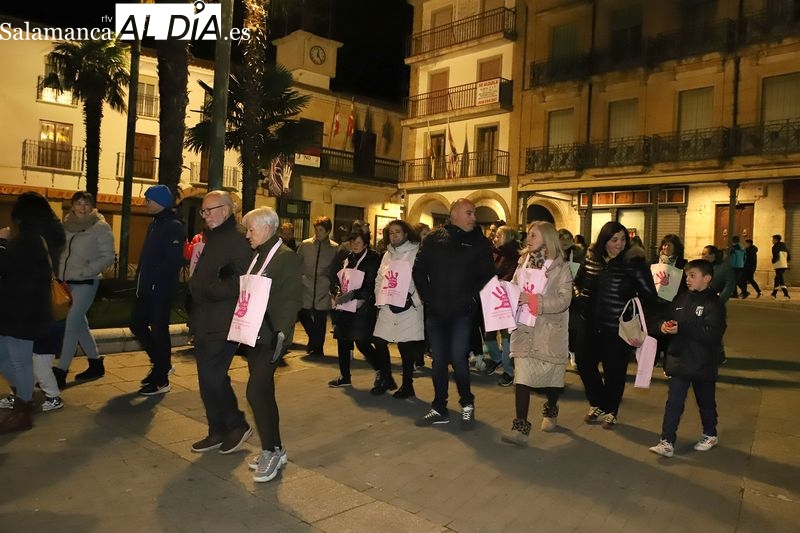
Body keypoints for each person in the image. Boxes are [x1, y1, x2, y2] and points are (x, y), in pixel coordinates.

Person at [412, 199, 495, 429]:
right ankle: (439, 407)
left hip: (462, 313)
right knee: (439, 361)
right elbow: (419, 270)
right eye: (469, 213)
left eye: (474, 214)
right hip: (436, 313)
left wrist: (471, 299)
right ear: (455, 213)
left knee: (459, 359)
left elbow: (488, 276)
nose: (474, 218)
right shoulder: (433, 239)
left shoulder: (479, 243)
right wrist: (428, 299)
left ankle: (467, 404)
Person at [188, 191, 255, 455]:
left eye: (209, 210)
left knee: (213, 376)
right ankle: (216, 430)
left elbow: (243, 279)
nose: (205, 216)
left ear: (226, 209)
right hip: (204, 319)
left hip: (224, 320)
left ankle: (237, 425)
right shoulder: (213, 236)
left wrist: (210, 289)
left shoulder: (238, 238)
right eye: (203, 212)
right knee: (207, 379)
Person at [573, 221, 657, 429]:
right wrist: (580, 297)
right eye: (614, 240)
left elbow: (649, 295)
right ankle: (598, 402)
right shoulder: (591, 260)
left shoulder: (633, 264)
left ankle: (611, 410)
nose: (619, 244)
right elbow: (577, 282)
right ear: (604, 240)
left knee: (614, 371)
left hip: (617, 327)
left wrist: (636, 316)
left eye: (623, 239)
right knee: (584, 363)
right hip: (589, 323)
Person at [240, 207, 302, 483]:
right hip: (254, 335)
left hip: (271, 337)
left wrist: (282, 334)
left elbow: (291, 299)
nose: (248, 235)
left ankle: (269, 451)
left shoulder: (285, 258)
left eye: (251, 229)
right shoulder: (258, 256)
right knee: (264, 394)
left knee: (255, 392)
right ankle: (276, 447)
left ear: (266, 228)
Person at [501, 222, 573, 446]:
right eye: (529, 235)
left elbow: (564, 300)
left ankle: (551, 408)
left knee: (552, 381)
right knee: (521, 379)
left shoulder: (560, 268)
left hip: (548, 333)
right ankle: (520, 427)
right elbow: (514, 286)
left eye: (534, 235)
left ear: (547, 238)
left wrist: (535, 301)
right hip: (523, 329)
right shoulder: (523, 262)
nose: (528, 239)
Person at [0, 192, 65, 434]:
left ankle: (23, 410)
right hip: (18, 308)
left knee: (19, 361)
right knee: (6, 356)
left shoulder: (30, 240)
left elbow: (7, 266)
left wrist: (2, 242)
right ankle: (23, 397)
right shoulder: (40, 237)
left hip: (22, 310)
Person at [649, 259, 726, 458]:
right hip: (679, 361)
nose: (688, 280)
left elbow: (712, 334)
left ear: (707, 279)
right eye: (687, 276)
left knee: (706, 402)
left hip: (703, 363)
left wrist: (682, 328)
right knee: (674, 402)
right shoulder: (681, 299)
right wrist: (663, 326)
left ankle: (710, 433)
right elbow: (662, 317)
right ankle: (666, 441)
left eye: (693, 276)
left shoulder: (714, 304)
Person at [53, 191, 115, 387]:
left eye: (86, 204)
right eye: (78, 203)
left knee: (71, 323)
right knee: (80, 324)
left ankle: (60, 371)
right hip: (65, 282)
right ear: (72, 205)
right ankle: (96, 363)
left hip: (86, 282)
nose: (82, 207)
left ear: (92, 206)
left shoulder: (100, 227)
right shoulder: (66, 226)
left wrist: (86, 271)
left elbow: (107, 256)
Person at [131, 185, 185, 396]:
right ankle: (161, 364)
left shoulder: (173, 226)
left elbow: (172, 261)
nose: (145, 203)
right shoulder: (155, 224)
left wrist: (155, 284)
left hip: (160, 291)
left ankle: (161, 378)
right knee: (136, 325)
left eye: (148, 200)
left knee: (159, 331)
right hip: (146, 289)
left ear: (160, 202)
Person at [372, 220, 425, 398]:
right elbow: (380, 278)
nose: (394, 236)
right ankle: (386, 378)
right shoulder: (387, 254)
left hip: (409, 308)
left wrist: (415, 300)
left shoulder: (416, 252)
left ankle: (407, 385)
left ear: (406, 234)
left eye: (398, 232)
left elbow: (425, 280)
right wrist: (380, 298)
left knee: (405, 347)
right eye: (391, 233)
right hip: (388, 304)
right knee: (379, 341)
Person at [327, 228, 382, 389]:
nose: (355, 245)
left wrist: (352, 295)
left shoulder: (373, 259)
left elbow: (371, 285)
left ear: (365, 243)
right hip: (345, 306)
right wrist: (337, 291)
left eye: (358, 242)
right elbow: (338, 278)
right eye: (353, 242)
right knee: (343, 340)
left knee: (362, 342)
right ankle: (345, 376)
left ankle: (381, 369)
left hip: (363, 307)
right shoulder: (347, 258)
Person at [483, 225, 520, 386]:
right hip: (493, 296)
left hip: (506, 298)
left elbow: (512, 276)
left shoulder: (513, 255)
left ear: (508, 237)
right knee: (489, 332)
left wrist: (498, 282)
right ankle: (497, 359)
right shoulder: (495, 253)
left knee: (506, 336)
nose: (495, 237)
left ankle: (509, 371)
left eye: (499, 235)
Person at [296, 216, 339, 356]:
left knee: (320, 319)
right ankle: (314, 340)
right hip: (305, 285)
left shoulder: (334, 248)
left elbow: (335, 268)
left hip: (323, 287)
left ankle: (318, 347)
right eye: (316, 229)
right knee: (301, 312)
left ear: (328, 231)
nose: (318, 232)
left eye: (321, 230)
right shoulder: (306, 244)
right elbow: (297, 262)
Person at [770, 234, 791, 300]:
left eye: (773, 239)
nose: (772, 241)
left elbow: (776, 255)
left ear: (776, 240)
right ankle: (773, 294)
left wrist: (773, 261)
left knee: (780, 280)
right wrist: (786, 261)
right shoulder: (784, 246)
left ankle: (786, 295)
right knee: (777, 279)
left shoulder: (775, 246)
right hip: (784, 265)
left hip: (778, 265)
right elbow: (789, 256)